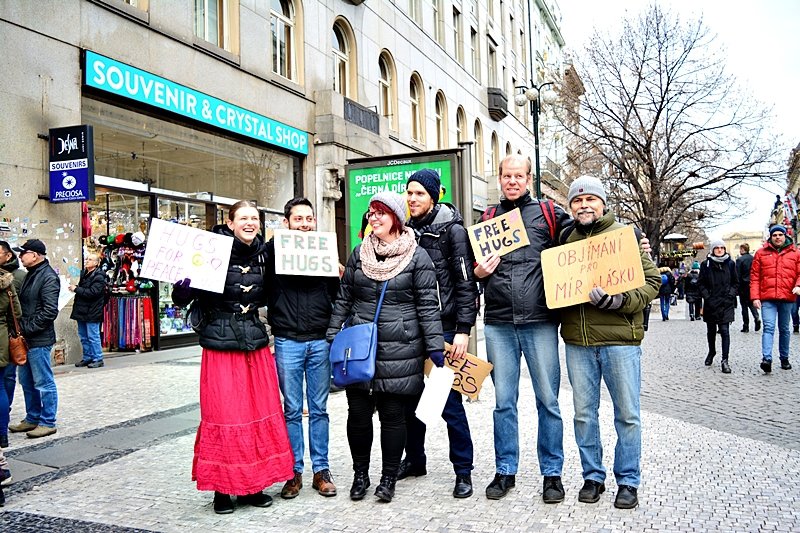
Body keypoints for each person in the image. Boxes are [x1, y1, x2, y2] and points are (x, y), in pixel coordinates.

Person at [171, 200, 294, 514]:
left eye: (254, 218)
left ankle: (253, 485)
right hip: (221, 344)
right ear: (231, 221)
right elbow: (181, 297)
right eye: (244, 218)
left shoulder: (265, 256)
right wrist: (184, 284)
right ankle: (223, 490)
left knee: (258, 412)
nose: (250, 223)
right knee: (225, 415)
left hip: (254, 342)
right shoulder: (211, 250)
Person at [327, 191, 443, 504]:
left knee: (393, 417)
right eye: (371, 213)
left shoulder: (417, 257)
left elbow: (428, 306)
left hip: (399, 348)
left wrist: (434, 348)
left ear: (395, 218)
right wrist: (332, 335)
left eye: (381, 213)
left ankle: (389, 477)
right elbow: (344, 297)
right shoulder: (358, 253)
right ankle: (360, 475)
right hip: (359, 347)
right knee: (359, 416)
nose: (374, 218)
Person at [558, 176, 660, 510]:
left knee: (627, 415)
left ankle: (628, 481)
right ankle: (593, 476)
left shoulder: (624, 235)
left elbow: (652, 281)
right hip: (578, 342)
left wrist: (620, 301)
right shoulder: (565, 239)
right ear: (570, 206)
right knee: (584, 415)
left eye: (590, 199)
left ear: (602, 203)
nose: (583, 205)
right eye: (577, 200)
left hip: (620, 342)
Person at [474, 154, 570, 502]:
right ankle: (505, 470)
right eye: (507, 176)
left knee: (548, 401)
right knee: (504, 403)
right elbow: (472, 267)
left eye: (519, 176)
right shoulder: (487, 219)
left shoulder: (549, 215)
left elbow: (583, 241)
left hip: (541, 322)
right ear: (499, 179)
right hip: (499, 323)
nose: (513, 181)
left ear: (529, 179)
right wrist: (477, 272)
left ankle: (552, 474)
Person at [398, 169, 478, 498]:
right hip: (409, 328)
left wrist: (463, 330)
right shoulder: (403, 231)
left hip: (443, 327)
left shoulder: (453, 231)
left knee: (448, 403)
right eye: (409, 193)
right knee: (410, 398)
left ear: (433, 196)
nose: (413, 199)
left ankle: (463, 471)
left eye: (419, 193)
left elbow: (465, 283)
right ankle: (415, 460)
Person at [265, 197, 339, 500]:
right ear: (287, 223)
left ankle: (321, 470)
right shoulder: (274, 251)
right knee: (292, 410)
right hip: (287, 340)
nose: (305, 224)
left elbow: (338, 295)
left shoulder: (324, 250)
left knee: (319, 409)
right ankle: (293, 471)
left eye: (309, 219)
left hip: (319, 340)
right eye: (299, 219)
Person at [8, 239, 60, 439]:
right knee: (27, 382)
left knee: (43, 382)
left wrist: (25, 329)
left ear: (35, 255)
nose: (20, 257)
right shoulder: (32, 274)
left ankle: (48, 421)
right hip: (27, 338)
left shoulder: (48, 277)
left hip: (38, 339)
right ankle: (32, 417)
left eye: (24, 253)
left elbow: (49, 312)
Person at [750, 224, 800, 373]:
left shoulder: (795, 253)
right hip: (768, 298)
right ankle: (767, 359)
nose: (777, 237)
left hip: (787, 296)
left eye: (780, 234)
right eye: (774, 235)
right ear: (770, 237)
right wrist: (755, 297)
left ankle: (784, 358)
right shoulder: (761, 253)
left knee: (784, 329)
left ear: (785, 236)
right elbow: (755, 277)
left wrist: (798, 285)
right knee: (769, 327)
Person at [698, 240, 738, 374]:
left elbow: (735, 283)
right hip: (711, 303)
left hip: (726, 303)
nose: (720, 250)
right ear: (712, 250)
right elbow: (701, 283)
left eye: (722, 248)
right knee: (711, 330)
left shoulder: (731, 264)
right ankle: (712, 352)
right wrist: (707, 296)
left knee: (725, 330)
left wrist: (731, 295)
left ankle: (725, 360)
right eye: (717, 248)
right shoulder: (706, 265)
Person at [0, 241, 25, 449]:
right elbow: (16, 313)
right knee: (1, 386)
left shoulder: (13, 276)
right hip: (2, 338)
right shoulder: (6, 281)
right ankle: (2, 436)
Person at [69, 253, 106, 368]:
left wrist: (77, 289)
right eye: (86, 259)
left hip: (92, 310)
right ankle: (88, 357)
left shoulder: (99, 276)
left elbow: (93, 293)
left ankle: (98, 358)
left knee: (93, 336)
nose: (87, 261)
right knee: (83, 336)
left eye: (90, 260)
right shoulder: (85, 273)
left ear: (96, 263)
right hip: (82, 309)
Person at [735, 244, 760, 332]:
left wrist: (736, 287)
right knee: (751, 303)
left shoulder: (739, 260)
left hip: (743, 285)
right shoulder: (753, 258)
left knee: (744, 306)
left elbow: (737, 274)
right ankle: (756, 317)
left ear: (742, 249)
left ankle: (746, 326)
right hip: (752, 284)